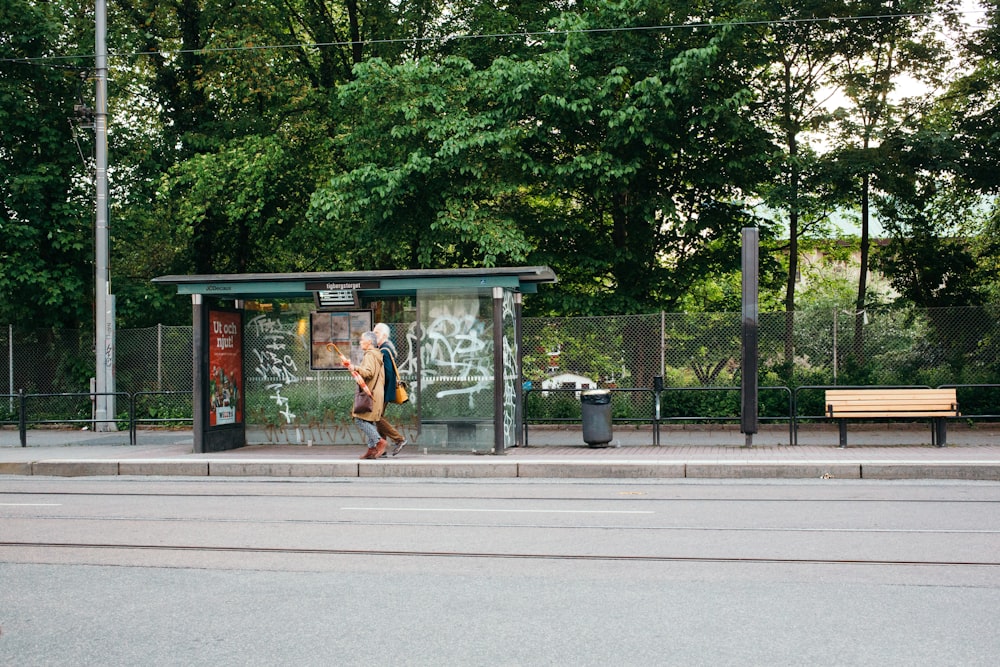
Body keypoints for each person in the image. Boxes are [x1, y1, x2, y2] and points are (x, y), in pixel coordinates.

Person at [345, 331, 386, 459]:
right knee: (369, 420)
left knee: (359, 418)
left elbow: (369, 373)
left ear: (369, 342)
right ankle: (371, 449)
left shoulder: (369, 355)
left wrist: (354, 367)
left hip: (370, 393)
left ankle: (379, 441)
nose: (360, 342)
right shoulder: (377, 354)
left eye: (362, 340)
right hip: (377, 392)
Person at [373, 322, 408, 456]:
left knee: (376, 417)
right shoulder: (387, 348)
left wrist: (377, 387)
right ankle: (381, 449)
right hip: (384, 389)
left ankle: (399, 439)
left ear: (384, 335)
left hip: (382, 390)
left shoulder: (384, 350)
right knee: (378, 417)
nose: (374, 335)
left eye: (377, 333)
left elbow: (387, 373)